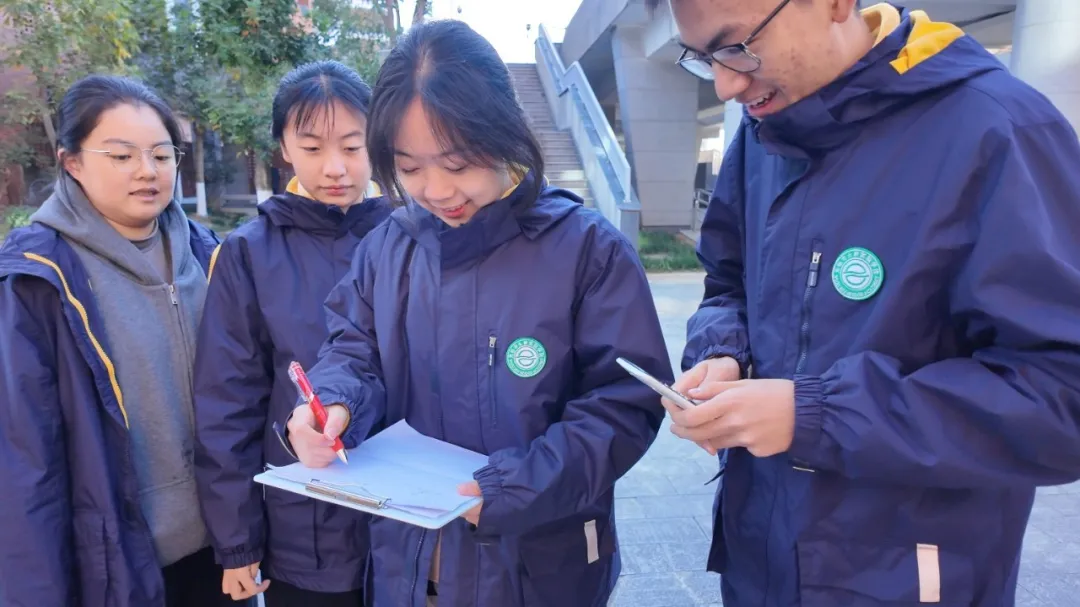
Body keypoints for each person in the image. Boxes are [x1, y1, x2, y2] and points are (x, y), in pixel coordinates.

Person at [648, 0, 1080, 604]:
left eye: (737, 47)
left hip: (912, 577)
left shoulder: (999, 129)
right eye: (701, 58)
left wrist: (816, 416)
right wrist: (724, 352)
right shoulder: (762, 132)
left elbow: (1062, 396)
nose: (725, 84)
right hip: (759, 559)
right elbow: (728, 280)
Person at [281, 19, 671, 607]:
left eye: (459, 163)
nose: (438, 190)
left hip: (537, 567)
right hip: (407, 564)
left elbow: (625, 403)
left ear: (504, 130)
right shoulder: (387, 248)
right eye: (410, 168)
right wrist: (333, 404)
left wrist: (519, 486)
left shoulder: (588, 250)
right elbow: (353, 351)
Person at [0, 75, 249, 607]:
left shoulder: (211, 256)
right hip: (114, 563)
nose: (147, 171)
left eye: (161, 154)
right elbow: (26, 462)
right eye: (120, 156)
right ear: (72, 162)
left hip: (224, 550)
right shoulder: (38, 280)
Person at [192, 60, 392, 607]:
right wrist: (236, 542)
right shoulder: (249, 251)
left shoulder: (411, 232)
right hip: (305, 528)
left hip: (410, 525)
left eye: (352, 146)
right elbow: (227, 402)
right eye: (312, 148)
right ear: (283, 147)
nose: (335, 168)